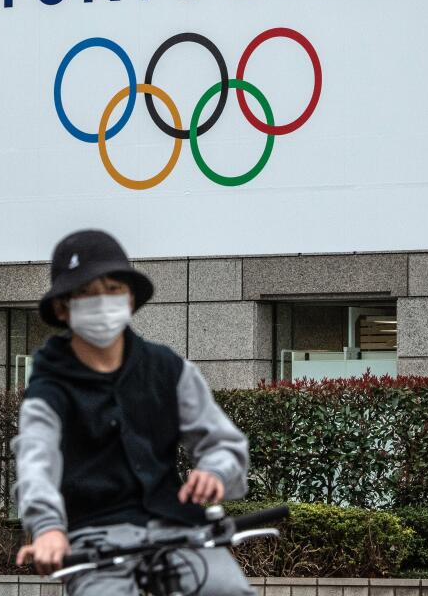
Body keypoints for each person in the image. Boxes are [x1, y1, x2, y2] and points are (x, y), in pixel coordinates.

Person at [13, 230, 254, 596]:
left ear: (129, 298)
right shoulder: (48, 390)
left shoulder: (168, 368)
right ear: (63, 308)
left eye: (113, 289)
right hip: (95, 539)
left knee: (229, 590)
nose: (103, 302)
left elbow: (221, 440)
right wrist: (47, 528)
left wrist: (215, 471)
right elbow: (36, 463)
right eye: (88, 293)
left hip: (180, 530)